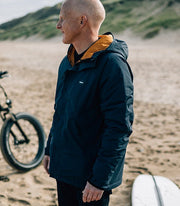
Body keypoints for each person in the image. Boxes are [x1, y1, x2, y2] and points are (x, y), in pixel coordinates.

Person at [43, 0, 134, 205]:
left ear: (82, 20)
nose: (58, 26)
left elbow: (119, 128)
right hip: (64, 169)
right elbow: (60, 111)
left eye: (62, 19)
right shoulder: (67, 62)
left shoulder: (113, 66)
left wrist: (100, 181)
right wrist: (51, 149)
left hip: (91, 180)